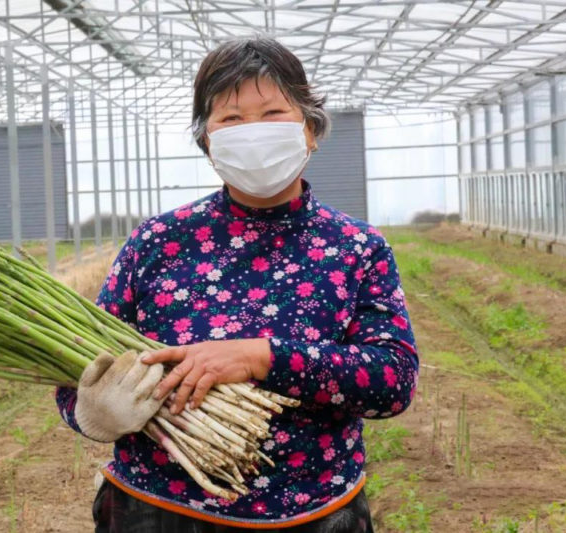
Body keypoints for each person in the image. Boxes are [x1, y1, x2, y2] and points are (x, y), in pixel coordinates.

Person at [56, 37, 419, 532]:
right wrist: (94, 413)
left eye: (273, 114)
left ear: (311, 129)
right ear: (207, 142)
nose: (253, 132)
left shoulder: (356, 247)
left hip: (315, 512)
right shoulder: (158, 241)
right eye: (231, 118)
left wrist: (261, 358)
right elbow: (76, 370)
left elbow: (393, 380)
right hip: (156, 510)